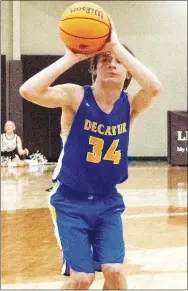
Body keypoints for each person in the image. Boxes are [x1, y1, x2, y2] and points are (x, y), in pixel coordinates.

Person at [19, 17, 161, 290]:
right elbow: (28, 91)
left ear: (128, 72)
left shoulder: (130, 104)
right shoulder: (76, 96)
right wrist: (71, 58)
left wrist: (116, 46)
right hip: (69, 201)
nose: (112, 63)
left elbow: (154, 87)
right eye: (104, 60)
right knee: (82, 278)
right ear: (94, 70)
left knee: (115, 271)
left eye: (118, 61)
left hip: (108, 201)